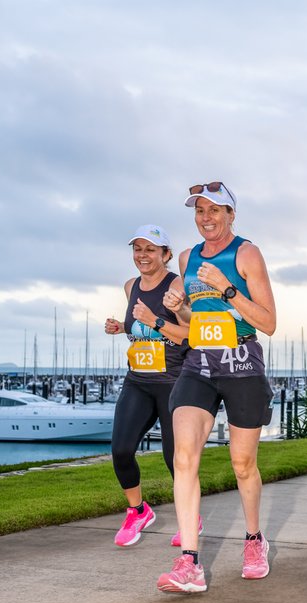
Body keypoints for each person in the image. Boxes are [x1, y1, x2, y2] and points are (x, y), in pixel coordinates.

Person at [155, 182, 277, 594]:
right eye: (200, 211)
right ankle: (189, 561)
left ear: (231, 215)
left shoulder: (246, 253)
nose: (206, 218)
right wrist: (179, 308)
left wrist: (226, 288)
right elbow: (192, 323)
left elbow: (268, 321)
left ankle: (254, 539)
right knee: (184, 456)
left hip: (242, 363)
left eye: (215, 210)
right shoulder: (187, 258)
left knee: (243, 464)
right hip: (199, 363)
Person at [104, 225, 190, 547]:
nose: (142, 255)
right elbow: (138, 326)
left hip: (173, 381)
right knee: (121, 450)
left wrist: (154, 318)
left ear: (166, 254)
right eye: (137, 249)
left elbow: (187, 333)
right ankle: (137, 510)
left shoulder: (177, 284)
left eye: (150, 249)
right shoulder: (130, 286)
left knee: (175, 458)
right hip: (138, 380)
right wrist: (122, 326)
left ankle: (188, 518)